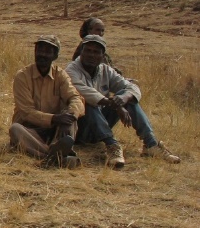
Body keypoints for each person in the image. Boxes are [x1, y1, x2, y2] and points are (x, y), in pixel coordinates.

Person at [66, 34, 179, 168]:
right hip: (80, 130)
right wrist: (117, 106)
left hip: (99, 127)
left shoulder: (105, 70)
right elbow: (87, 93)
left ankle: (151, 144)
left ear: (103, 56)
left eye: (96, 52)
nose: (91, 55)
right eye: (88, 50)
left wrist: (124, 98)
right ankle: (112, 146)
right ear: (81, 52)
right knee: (86, 102)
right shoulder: (71, 70)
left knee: (126, 96)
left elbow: (131, 87)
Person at [9, 35, 85, 168]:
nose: (42, 55)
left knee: (71, 117)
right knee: (15, 129)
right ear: (35, 52)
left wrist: (71, 115)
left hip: (56, 131)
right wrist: (54, 118)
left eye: (47, 51)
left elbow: (76, 98)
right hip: (30, 130)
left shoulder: (60, 75)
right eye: (39, 50)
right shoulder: (22, 76)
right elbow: (26, 112)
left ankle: (55, 152)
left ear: (55, 55)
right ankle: (53, 156)